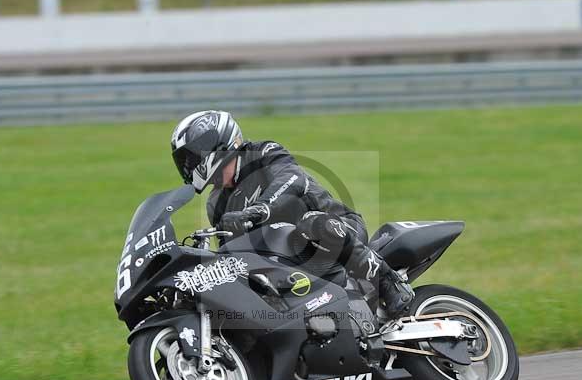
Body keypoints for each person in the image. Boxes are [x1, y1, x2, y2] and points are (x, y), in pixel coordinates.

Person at [170, 110, 413, 317]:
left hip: (336, 229)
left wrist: (260, 210)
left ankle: (387, 281)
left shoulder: (263, 153)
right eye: (185, 162)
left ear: (216, 146)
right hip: (290, 261)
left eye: (192, 158)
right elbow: (231, 254)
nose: (190, 166)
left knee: (312, 223)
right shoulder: (216, 203)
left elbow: (292, 178)